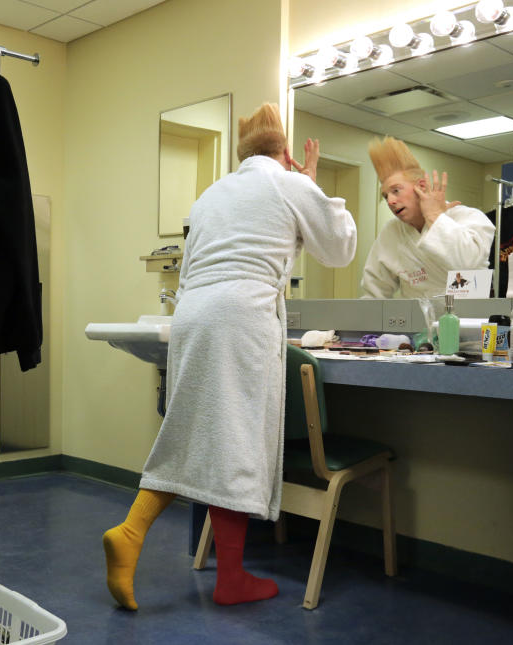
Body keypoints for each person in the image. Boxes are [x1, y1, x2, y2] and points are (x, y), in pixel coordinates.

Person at [102, 104, 357, 610]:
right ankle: (221, 573)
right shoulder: (289, 183)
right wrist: (313, 184)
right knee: (235, 445)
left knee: (199, 438)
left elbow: (192, 264)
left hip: (193, 314)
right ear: (285, 152)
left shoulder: (211, 195)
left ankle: (143, 537)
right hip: (242, 316)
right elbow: (341, 249)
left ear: (242, 152)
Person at [361, 136, 495, 299]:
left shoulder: (470, 218)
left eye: (396, 190)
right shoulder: (392, 232)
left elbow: (465, 264)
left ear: (421, 186)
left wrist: (434, 216)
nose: (390, 201)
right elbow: (374, 292)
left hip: (471, 319)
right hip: (417, 322)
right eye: (385, 195)